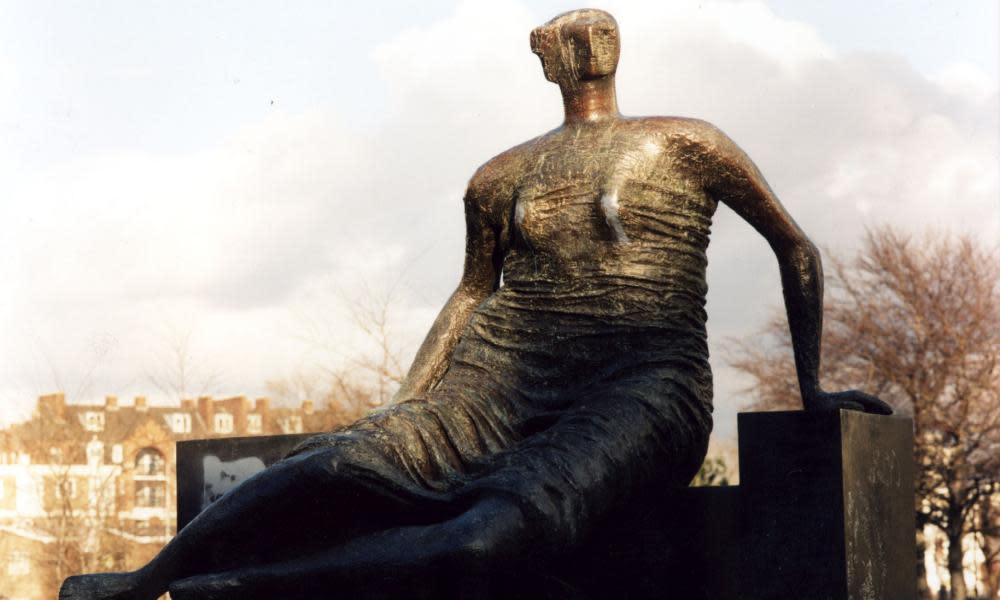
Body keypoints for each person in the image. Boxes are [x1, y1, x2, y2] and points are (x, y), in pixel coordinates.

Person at [60, 9, 891, 600]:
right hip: (499, 382)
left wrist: (811, 387)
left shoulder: (684, 141)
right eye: (569, 34)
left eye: (596, 31)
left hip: (642, 385)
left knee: (485, 539)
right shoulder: (499, 175)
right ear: (547, 60)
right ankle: (148, 580)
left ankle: (237, 588)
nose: (585, 37)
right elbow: (471, 294)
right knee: (333, 461)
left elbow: (795, 247)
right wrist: (408, 406)